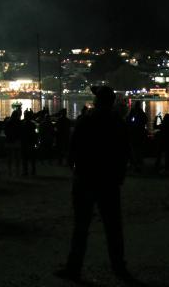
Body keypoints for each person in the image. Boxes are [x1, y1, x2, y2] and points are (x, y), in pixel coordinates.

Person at [55, 86, 131, 282]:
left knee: (81, 226)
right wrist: (119, 176)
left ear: (97, 101)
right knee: (113, 226)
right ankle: (119, 266)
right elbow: (124, 152)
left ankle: (74, 267)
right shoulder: (118, 123)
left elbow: (73, 148)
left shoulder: (86, 120)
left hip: (86, 178)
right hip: (109, 180)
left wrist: (74, 167)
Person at [126, 101, 148, 172]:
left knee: (134, 149)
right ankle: (139, 162)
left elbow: (128, 120)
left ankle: (134, 162)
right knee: (139, 149)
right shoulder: (141, 113)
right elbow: (145, 120)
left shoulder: (133, 112)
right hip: (140, 133)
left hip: (134, 133)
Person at [4, 107, 23, 176]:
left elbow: (6, 131)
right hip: (17, 141)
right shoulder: (19, 123)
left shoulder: (8, 122)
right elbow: (21, 132)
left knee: (9, 157)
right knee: (17, 157)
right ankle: (17, 171)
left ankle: (10, 171)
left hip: (9, 141)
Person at [21, 109, 38, 175]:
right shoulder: (32, 124)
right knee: (32, 158)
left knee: (25, 158)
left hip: (25, 143)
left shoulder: (22, 124)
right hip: (31, 142)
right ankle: (33, 170)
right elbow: (34, 134)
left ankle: (25, 171)